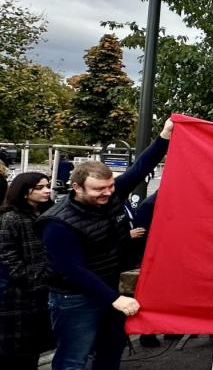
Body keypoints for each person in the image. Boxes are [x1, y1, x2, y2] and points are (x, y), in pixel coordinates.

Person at [37, 118, 174, 370]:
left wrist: (165, 136)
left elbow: (139, 168)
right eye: (99, 189)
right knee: (73, 359)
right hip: (75, 297)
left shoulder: (110, 195)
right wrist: (114, 299)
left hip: (110, 288)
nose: (108, 193)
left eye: (111, 186)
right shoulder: (57, 223)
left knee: (111, 351)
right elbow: (72, 270)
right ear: (76, 187)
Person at [0, 172, 55, 369]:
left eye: (47, 185)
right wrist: (29, 277)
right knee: (16, 349)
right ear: (24, 192)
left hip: (43, 289)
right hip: (21, 292)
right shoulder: (11, 218)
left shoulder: (48, 213)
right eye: (40, 187)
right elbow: (7, 253)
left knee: (34, 346)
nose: (47, 190)